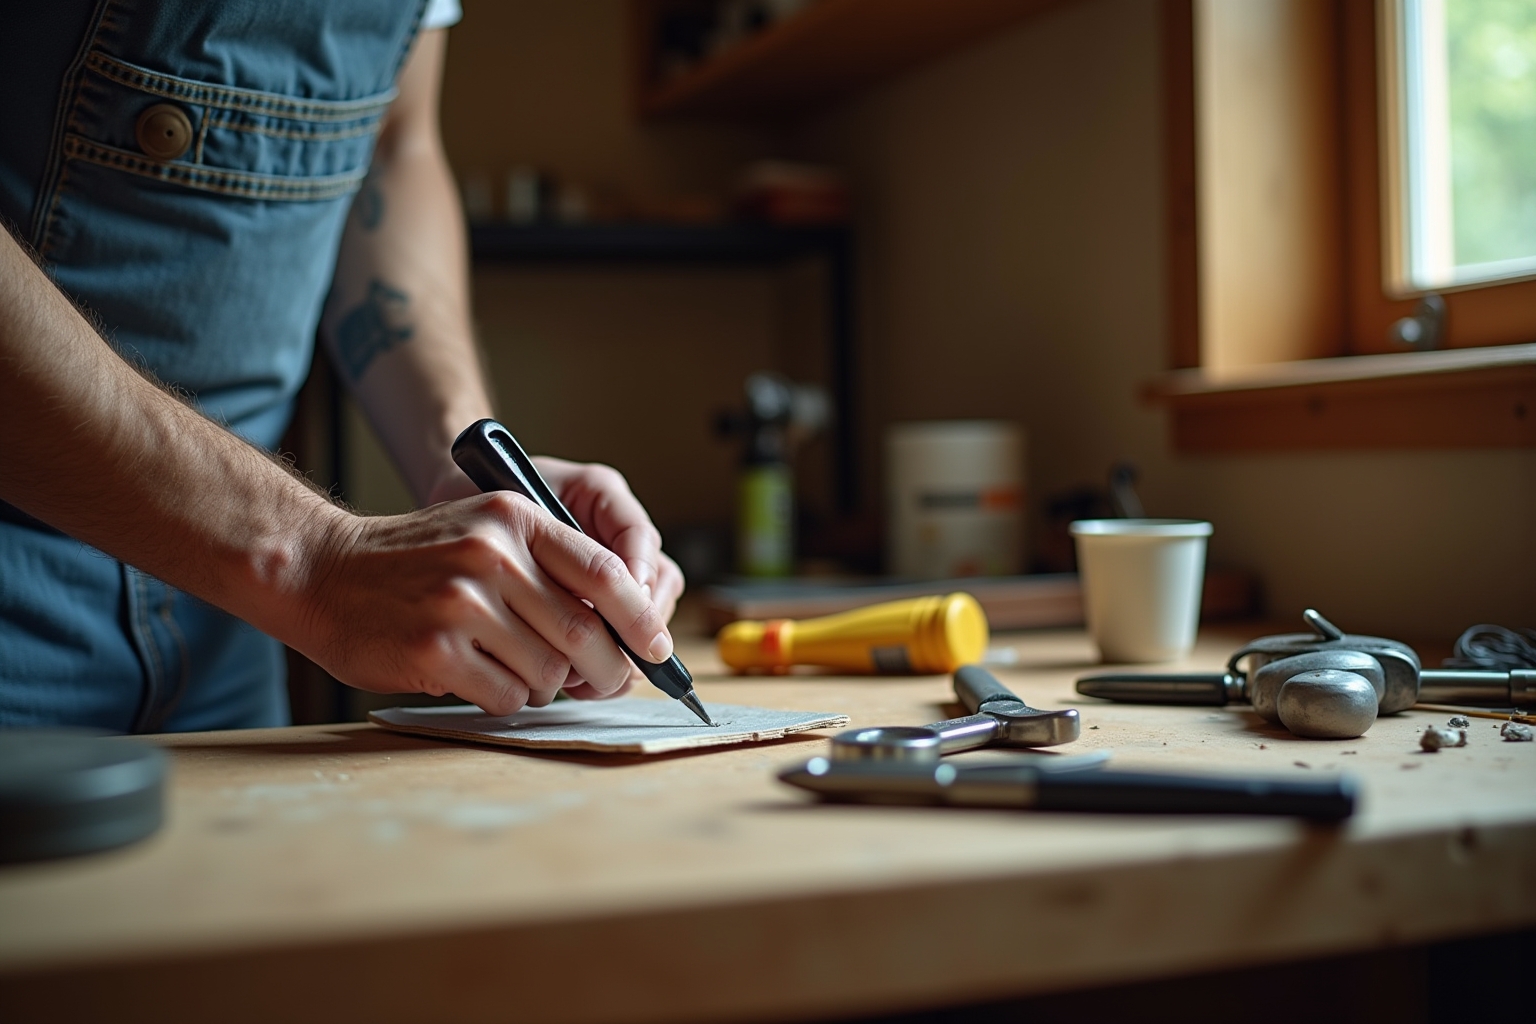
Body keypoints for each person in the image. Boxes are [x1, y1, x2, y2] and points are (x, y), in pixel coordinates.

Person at [0, 1, 685, 732]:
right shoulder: (299, 566)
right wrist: (308, 562)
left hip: (228, 630)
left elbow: (393, 148)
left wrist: (469, 463)